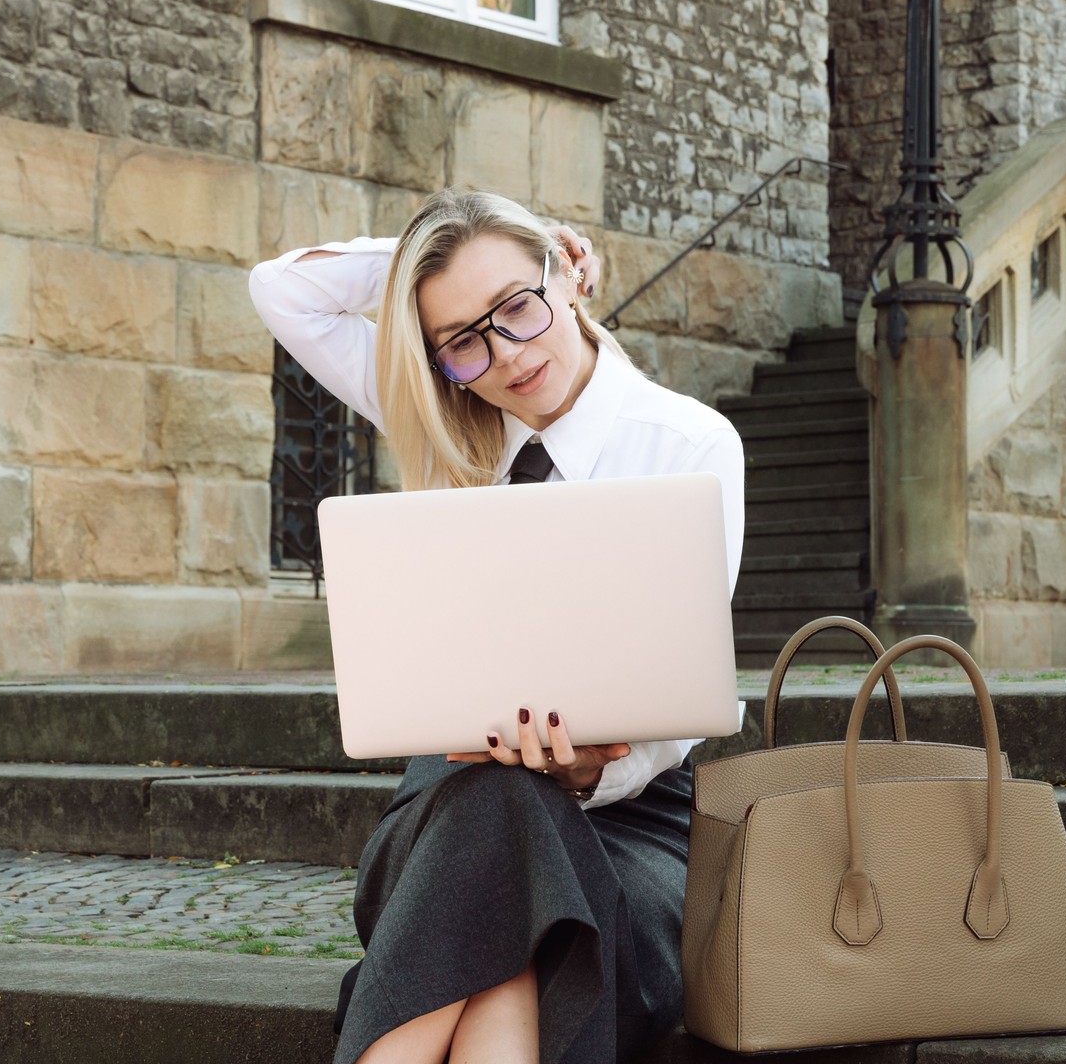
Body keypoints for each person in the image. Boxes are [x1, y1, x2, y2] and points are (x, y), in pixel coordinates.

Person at [248, 188, 745, 1064]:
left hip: (627, 826)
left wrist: (598, 770)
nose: (506, 354)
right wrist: (417, 265)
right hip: (451, 803)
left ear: (569, 278)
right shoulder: (449, 422)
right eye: (464, 342)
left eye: (518, 306)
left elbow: (681, 695)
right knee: (497, 801)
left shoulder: (689, 444)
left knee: (503, 937)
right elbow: (282, 290)